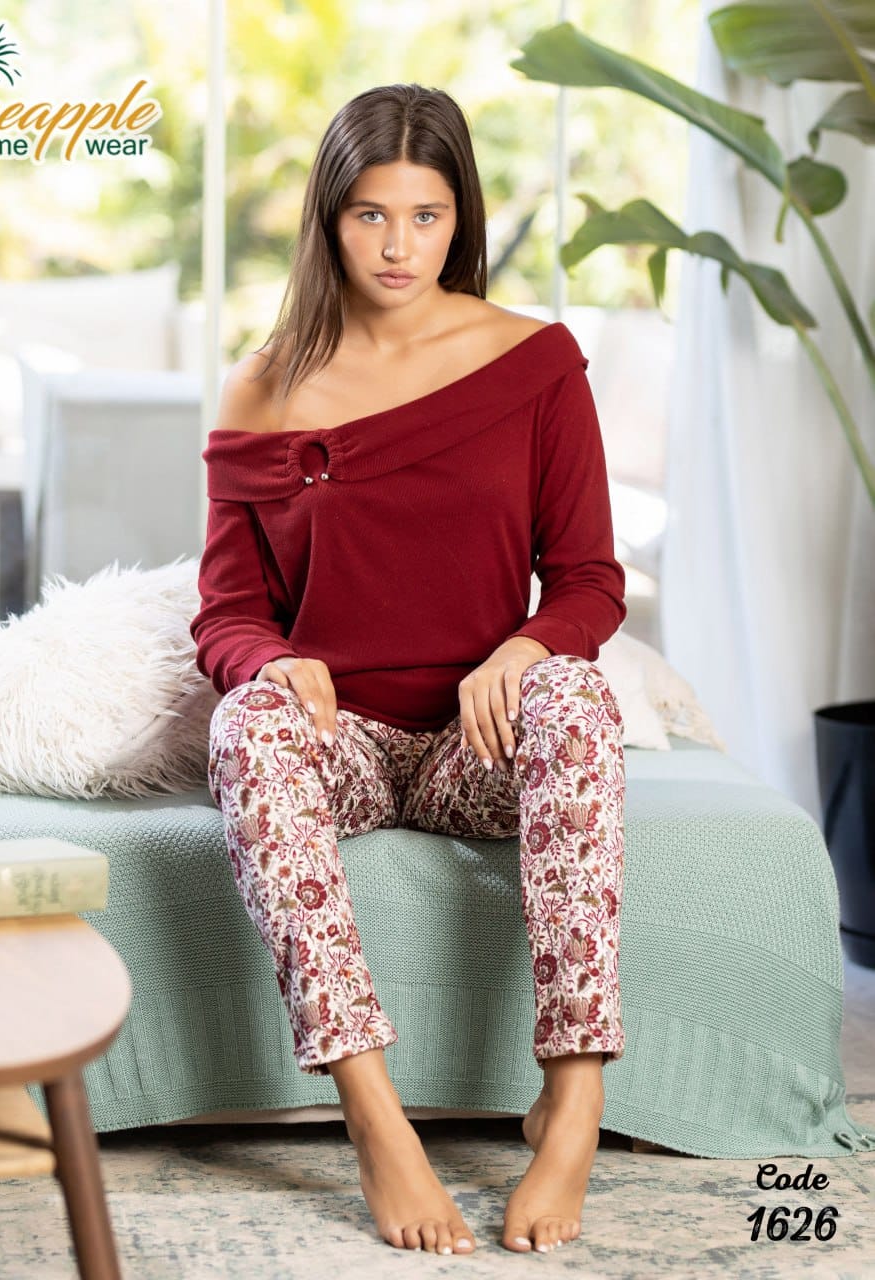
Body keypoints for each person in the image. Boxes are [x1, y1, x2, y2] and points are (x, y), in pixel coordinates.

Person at [189, 82, 628, 1258]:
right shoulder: (264, 384)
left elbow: (590, 577)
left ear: (460, 217)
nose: (398, 246)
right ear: (328, 219)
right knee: (242, 726)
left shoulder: (533, 362)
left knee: (580, 696)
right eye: (370, 215)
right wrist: (276, 663)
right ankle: (375, 1114)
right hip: (345, 744)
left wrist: (527, 648)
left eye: (426, 216)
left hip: (470, 747)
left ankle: (574, 1095)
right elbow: (226, 612)